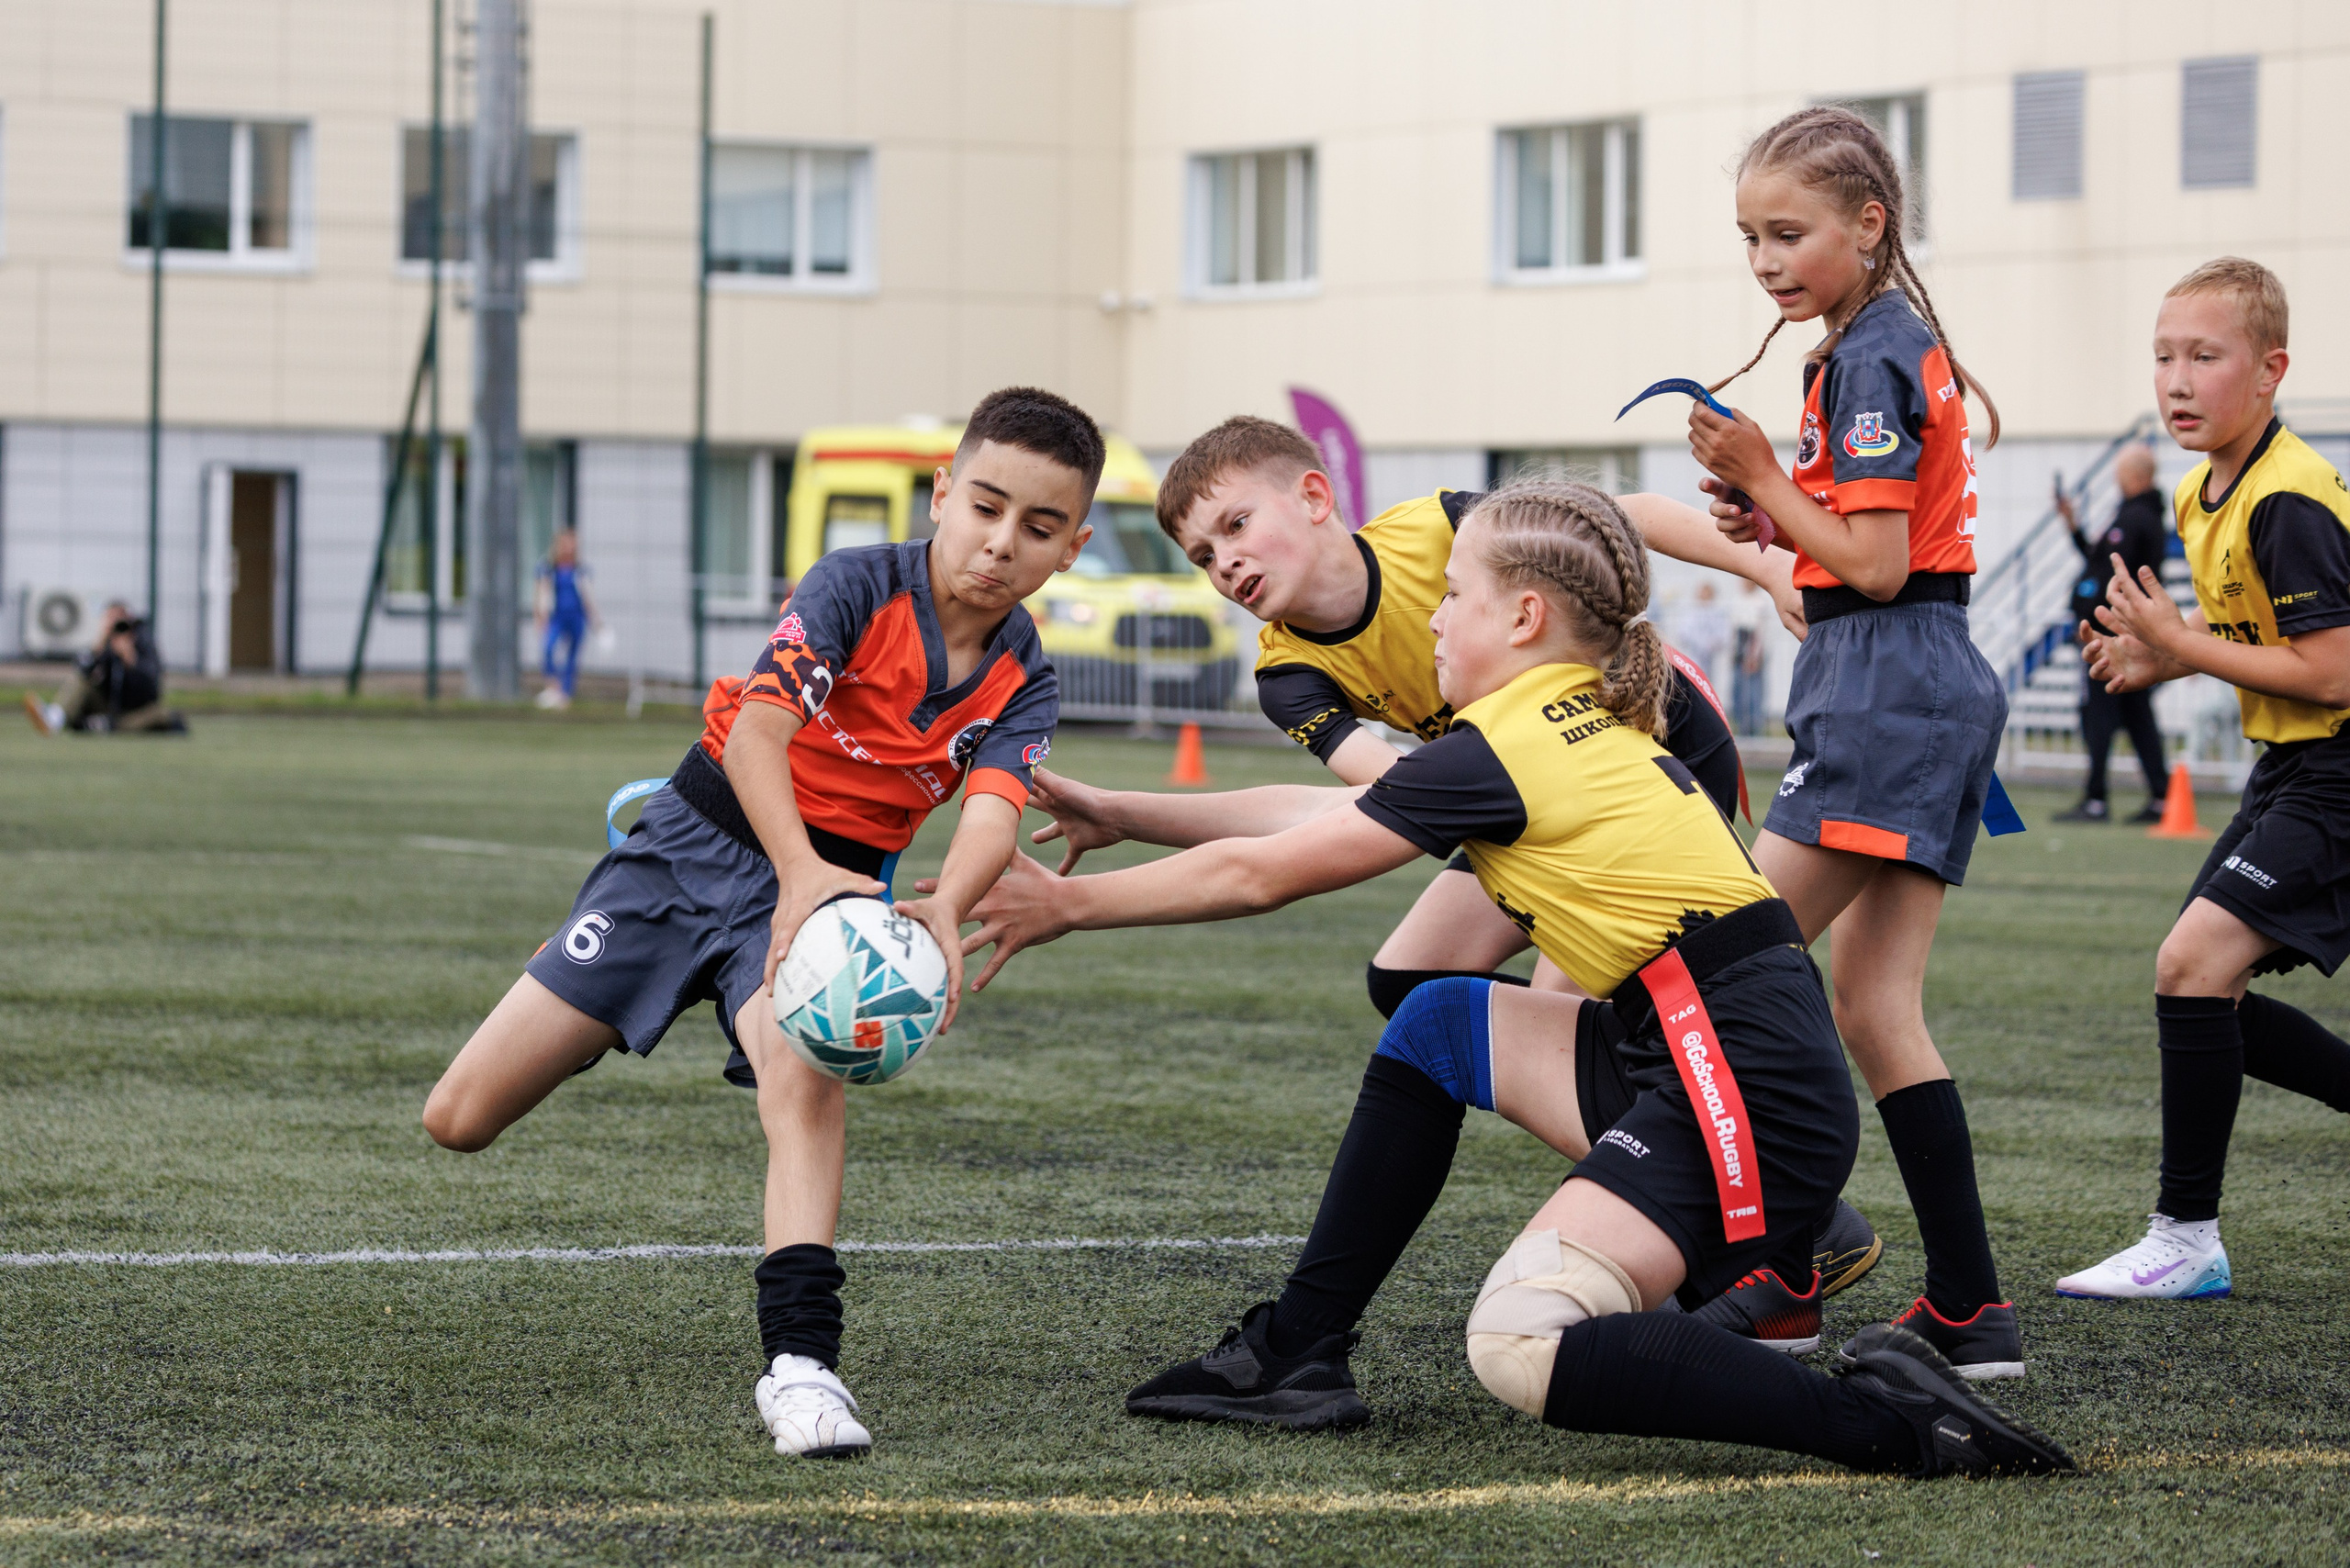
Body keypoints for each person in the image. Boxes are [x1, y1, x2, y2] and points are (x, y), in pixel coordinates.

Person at [959, 479, 2070, 1478]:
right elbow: (1333, 816)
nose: (1435, 618)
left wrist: (1069, 905)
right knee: (1437, 1018)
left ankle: (1890, 1420)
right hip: (1706, 1045)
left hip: (1741, 1079)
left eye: (1455, 597)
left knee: (1519, 1342)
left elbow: (1265, 872)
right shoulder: (1556, 719)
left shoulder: (1508, 744)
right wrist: (1126, 815)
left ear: (1525, 616)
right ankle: (1296, 1351)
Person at [420, 386, 1101, 1458]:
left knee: (801, 1075)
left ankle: (801, 1369)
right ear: (941, 495)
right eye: (985, 506)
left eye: (1039, 526)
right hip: (693, 847)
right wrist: (795, 871)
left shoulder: (1025, 679)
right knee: (457, 1118)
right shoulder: (853, 585)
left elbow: (992, 810)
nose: (1001, 541)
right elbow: (756, 735)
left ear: (1073, 547)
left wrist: (944, 904)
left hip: (832, 897)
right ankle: (609, 993)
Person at [1664, 106, 2026, 1379]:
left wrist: (1768, 480)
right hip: (1910, 682)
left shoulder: (1871, 354)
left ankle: (1786, 1267)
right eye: (1749, 237)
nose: (1765, 260)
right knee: (1871, 1008)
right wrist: (1780, 517)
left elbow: (1873, 568)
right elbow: (1873, 550)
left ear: (1869, 226)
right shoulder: (1872, 344)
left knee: (1719, 974)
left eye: (1789, 232)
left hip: (1889, 691)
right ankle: (1969, 1310)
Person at [2057, 259, 2350, 1300]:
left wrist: (2181, 643)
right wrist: (2164, 657)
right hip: (2293, 766)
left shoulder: (2287, 499)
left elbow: (2332, 671)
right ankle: (2186, 1238)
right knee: (2196, 983)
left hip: (2338, 767)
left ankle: (2185, 1238)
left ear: (2271, 371)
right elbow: (2264, 646)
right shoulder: (2196, 489)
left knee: (2191, 966)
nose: (2177, 380)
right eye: (2163, 356)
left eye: (2205, 356)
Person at [2054, 446, 2170, 823]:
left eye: (2120, 472)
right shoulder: (2141, 515)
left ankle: (2096, 800)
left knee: (2100, 717)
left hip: (2113, 636)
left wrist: (2089, 620)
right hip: (2126, 632)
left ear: (2134, 475)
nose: (2116, 479)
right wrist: (2073, 526)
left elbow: (2108, 573)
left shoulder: (2135, 518)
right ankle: (2161, 797)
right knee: (2138, 717)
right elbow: (2097, 558)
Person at [22, 600, 185, 735]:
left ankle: (97, 725)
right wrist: (99, 644)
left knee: (158, 716)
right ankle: (55, 717)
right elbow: (82, 668)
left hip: (136, 709)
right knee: (82, 681)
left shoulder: (143, 641)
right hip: (107, 704)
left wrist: (130, 659)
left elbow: (152, 685)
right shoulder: (105, 644)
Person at [534, 529, 600, 710]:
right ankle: (552, 687)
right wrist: (539, 615)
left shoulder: (581, 569)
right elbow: (541, 594)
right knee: (548, 648)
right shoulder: (548, 568)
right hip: (557, 616)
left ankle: (565, 693)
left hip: (577, 616)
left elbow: (588, 597)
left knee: (572, 655)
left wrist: (596, 620)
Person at [1729, 579, 1774, 735]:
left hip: (1753, 651)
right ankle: (1741, 728)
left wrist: (1754, 656)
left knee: (1753, 692)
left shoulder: (1760, 602)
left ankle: (1755, 730)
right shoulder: (1738, 599)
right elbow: (1734, 630)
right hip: (1740, 650)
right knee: (1738, 691)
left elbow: (1760, 632)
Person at [1673, 579, 1730, 698]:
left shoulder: (1718, 613)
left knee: (1709, 687)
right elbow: (1683, 634)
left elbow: (1723, 636)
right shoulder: (1691, 613)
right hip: (1693, 657)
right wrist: (1698, 643)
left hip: (1711, 659)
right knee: (1692, 686)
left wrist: (1711, 644)